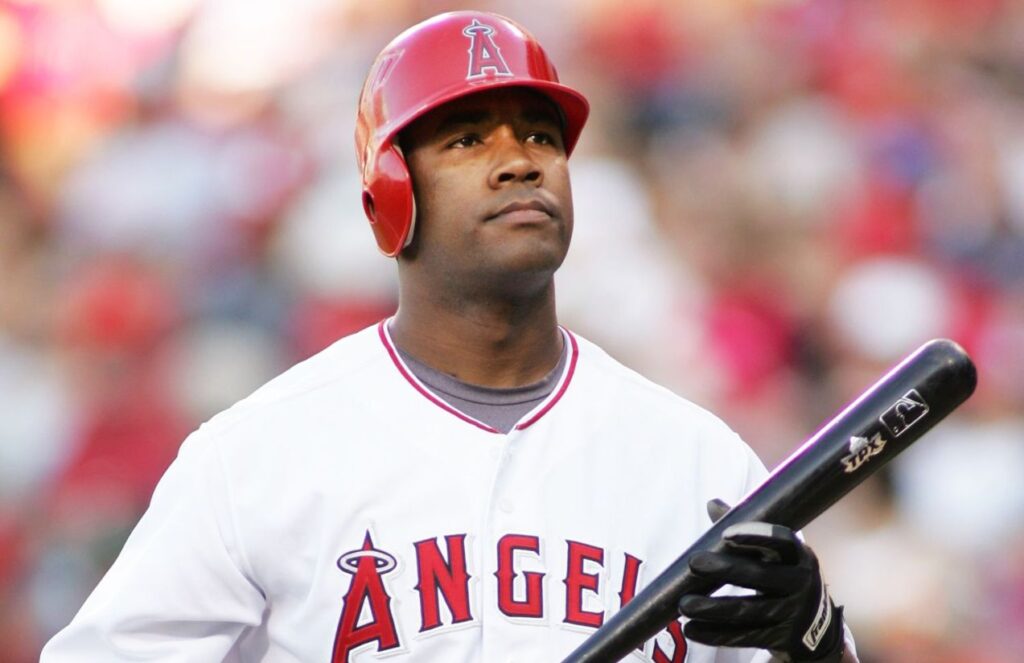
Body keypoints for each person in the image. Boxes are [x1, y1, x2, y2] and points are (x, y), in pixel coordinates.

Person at [42, 11, 858, 663]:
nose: (520, 163)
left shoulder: (696, 459)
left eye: (540, 136)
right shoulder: (255, 455)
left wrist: (812, 637)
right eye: (468, 139)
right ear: (389, 199)